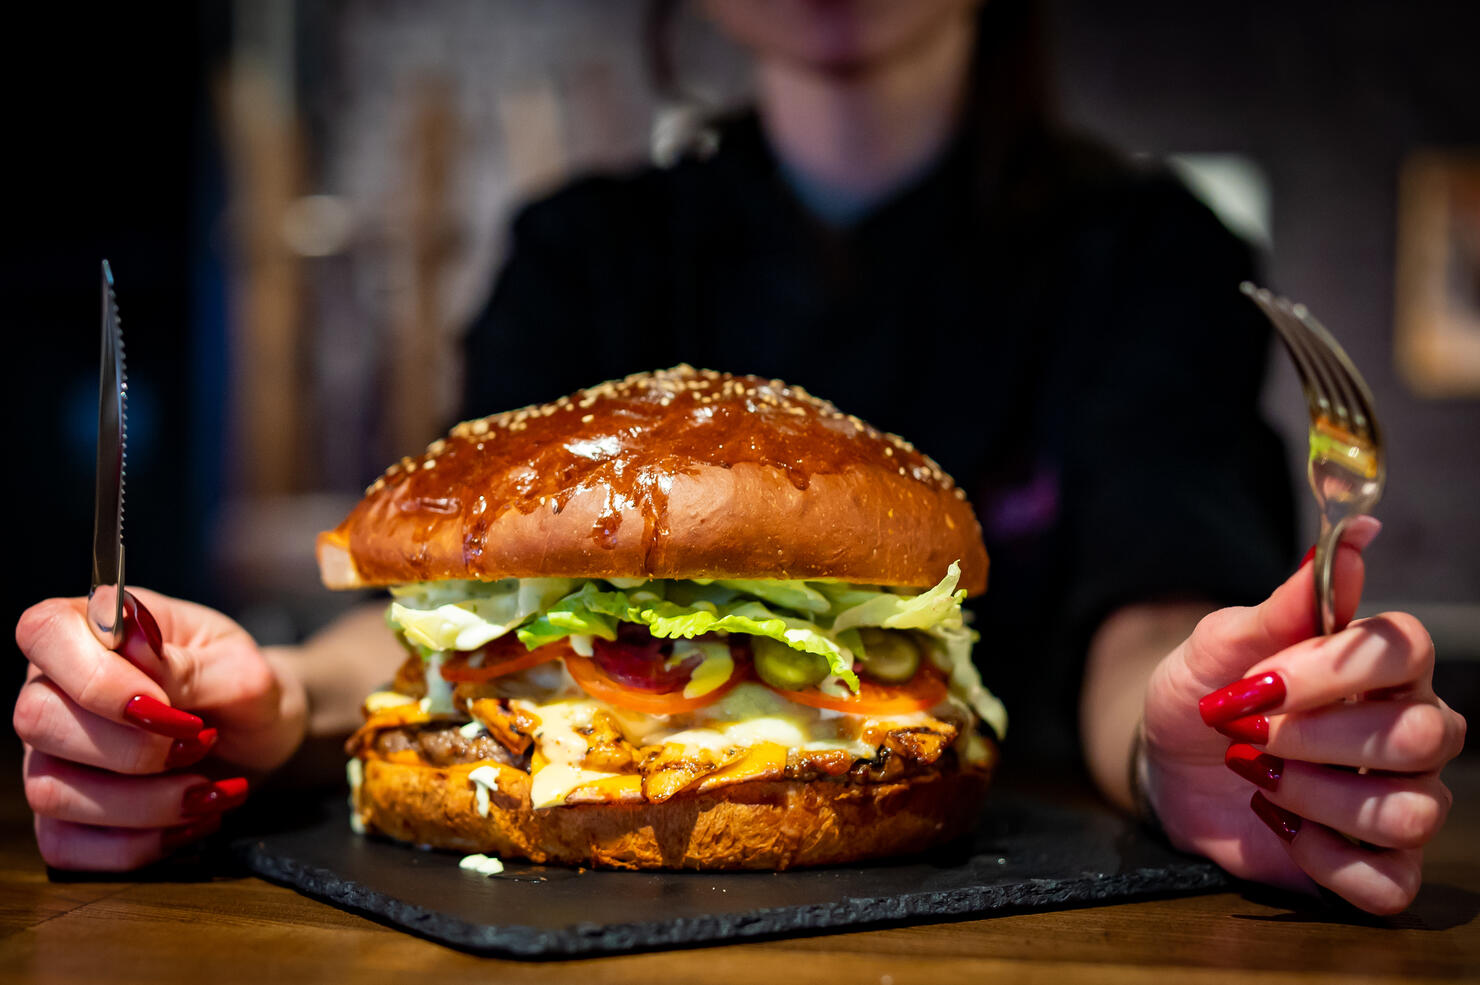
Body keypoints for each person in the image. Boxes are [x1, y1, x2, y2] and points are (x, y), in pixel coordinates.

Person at [14, 0, 1463, 914]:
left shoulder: (1149, 254)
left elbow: (1153, 597)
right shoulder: (580, 254)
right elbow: (449, 617)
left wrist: (1184, 737)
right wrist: (266, 701)